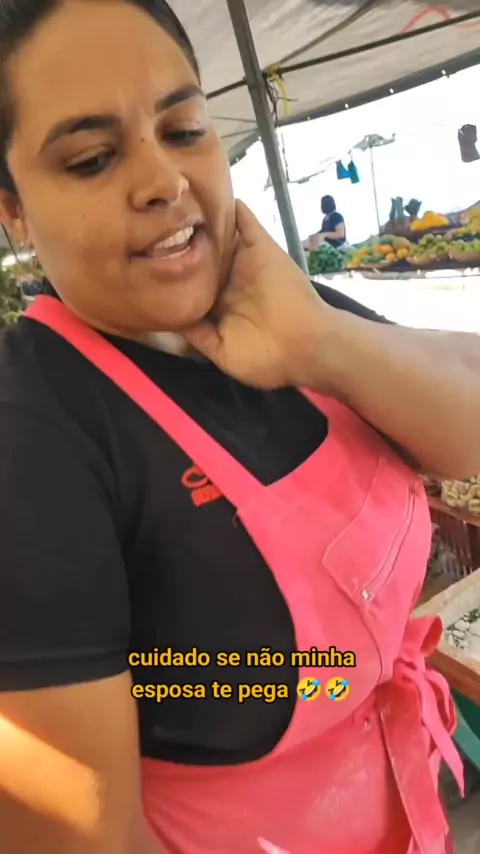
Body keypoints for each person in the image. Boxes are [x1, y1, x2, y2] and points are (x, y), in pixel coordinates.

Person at [0, 2, 478, 853]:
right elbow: (82, 837)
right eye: (93, 158)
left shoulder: (289, 306)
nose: (163, 180)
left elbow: (466, 431)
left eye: (183, 129)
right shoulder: (32, 436)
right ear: (13, 212)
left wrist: (324, 343)